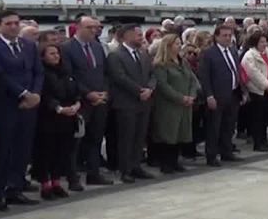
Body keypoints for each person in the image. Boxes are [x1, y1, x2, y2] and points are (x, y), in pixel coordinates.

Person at [0, 11, 44, 208]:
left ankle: (15, 188)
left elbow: (38, 71)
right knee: (2, 152)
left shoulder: (28, 45)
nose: (14, 27)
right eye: (8, 23)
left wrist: (36, 94)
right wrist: (23, 93)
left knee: (22, 149)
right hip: (6, 105)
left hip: (29, 106)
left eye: (16, 23)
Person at [63, 15, 113, 186]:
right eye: (89, 27)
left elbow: (105, 72)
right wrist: (87, 93)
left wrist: (104, 92)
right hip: (81, 101)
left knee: (96, 138)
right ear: (78, 27)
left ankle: (94, 173)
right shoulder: (67, 48)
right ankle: (72, 176)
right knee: (75, 142)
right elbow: (69, 75)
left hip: (99, 101)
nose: (94, 31)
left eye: (96, 27)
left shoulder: (97, 47)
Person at [105, 23, 155, 183]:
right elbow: (119, 77)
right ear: (127, 35)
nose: (141, 37)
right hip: (126, 103)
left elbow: (152, 74)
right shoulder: (116, 55)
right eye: (138, 34)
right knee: (126, 138)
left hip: (144, 102)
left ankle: (136, 166)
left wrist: (150, 89)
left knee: (139, 137)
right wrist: (139, 90)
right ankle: (125, 169)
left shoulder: (143, 54)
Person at [35, 43, 82, 199]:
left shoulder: (65, 71)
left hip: (68, 118)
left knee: (62, 152)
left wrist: (77, 103)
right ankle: (45, 184)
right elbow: (44, 95)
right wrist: (58, 108)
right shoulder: (41, 73)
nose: (56, 56)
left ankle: (56, 182)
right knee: (46, 152)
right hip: (49, 118)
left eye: (57, 53)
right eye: (51, 53)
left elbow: (75, 89)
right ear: (43, 57)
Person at [150, 33, 199, 173]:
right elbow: (163, 86)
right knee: (168, 134)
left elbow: (192, 80)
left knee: (180, 133)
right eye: (176, 44)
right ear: (168, 46)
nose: (179, 46)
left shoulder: (183, 62)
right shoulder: (161, 65)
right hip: (169, 105)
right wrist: (180, 98)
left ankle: (175, 161)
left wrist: (191, 96)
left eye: (179, 43)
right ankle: (166, 163)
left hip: (185, 105)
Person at [199, 24, 244, 167]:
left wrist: (241, 90)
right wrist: (209, 95)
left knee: (229, 126)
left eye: (230, 35)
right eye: (224, 35)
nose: (228, 38)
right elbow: (205, 76)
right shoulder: (209, 53)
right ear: (217, 37)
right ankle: (211, 155)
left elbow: (236, 70)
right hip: (217, 95)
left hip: (233, 93)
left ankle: (226, 151)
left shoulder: (233, 51)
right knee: (214, 127)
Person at [241, 32, 268, 151]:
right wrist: (267, 85)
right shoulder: (249, 56)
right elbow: (253, 73)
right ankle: (258, 143)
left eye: (265, 41)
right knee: (257, 118)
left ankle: (264, 140)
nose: (264, 44)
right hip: (257, 90)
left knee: (265, 118)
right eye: (261, 42)